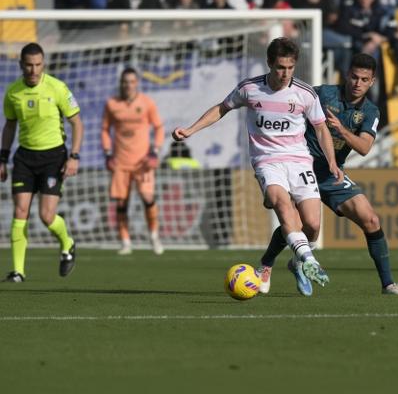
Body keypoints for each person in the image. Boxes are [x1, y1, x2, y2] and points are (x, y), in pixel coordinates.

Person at [172, 37, 343, 289]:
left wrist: (332, 161)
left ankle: (284, 262)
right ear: (269, 63)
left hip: (299, 161)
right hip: (267, 161)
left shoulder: (305, 93)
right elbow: (222, 108)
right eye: (280, 67)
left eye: (290, 68)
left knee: (312, 225)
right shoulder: (250, 89)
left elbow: (320, 128)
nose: (285, 73)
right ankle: (309, 260)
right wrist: (190, 129)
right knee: (283, 207)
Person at [256, 53, 398, 296]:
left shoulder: (370, 111)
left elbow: (364, 148)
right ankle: (266, 265)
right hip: (299, 166)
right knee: (296, 223)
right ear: (347, 75)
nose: (358, 83)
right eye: (354, 77)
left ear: (372, 82)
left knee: (371, 219)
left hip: (331, 173)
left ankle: (388, 284)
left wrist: (342, 130)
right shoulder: (323, 93)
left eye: (364, 79)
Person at [0, 42, 83, 282]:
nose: (34, 70)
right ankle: (18, 272)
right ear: (21, 65)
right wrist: (2, 158)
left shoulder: (58, 88)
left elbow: (77, 123)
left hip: (53, 158)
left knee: (46, 216)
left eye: (38, 65)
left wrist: (74, 156)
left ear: (43, 64)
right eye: (29, 65)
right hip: (25, 158)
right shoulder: (13, 92)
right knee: (20, 211)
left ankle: (67, 242)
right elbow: (10, 126)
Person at [101, 67, 165, 255]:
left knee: (147, 197)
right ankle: (126, 241)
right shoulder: (112, 104)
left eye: (131, 82)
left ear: (137, 83)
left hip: (143, 162)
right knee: (121, 203)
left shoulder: (147, 103)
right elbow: (105, 129)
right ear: (120, 83)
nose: (128, 85)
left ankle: (154, 236)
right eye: (125, 82)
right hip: (120, 162)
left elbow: (159, 128)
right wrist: (107, 154)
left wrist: (154, 152)